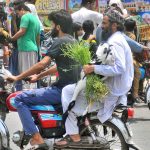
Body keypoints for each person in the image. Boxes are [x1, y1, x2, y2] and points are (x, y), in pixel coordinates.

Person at [55, 8, 134, 147]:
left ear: (114, 25)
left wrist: (93, 68)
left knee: (67, 92)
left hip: (111, 89)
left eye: (104, 23)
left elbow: (119, 68)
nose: (101, 26)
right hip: (116, 86)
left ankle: (72, 133)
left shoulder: (115, 42)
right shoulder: (118, 38)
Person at [7, 9, 80, 149]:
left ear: (58, 26)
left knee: (20, 99)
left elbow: (42, 64)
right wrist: (38, 77)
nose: (51, 28)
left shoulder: (60, 41)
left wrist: (17, 77)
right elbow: (59, 67)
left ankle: (36, 137)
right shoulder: (73, 41)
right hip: (72, 89)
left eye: (52, 25)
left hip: (61, 91)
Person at [10, 4, 40, 89]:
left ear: (22, 9)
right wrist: (38, 50)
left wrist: (12, 39)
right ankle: (32, 94)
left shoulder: (25, 17)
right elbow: (38, 37)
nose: (18, 15)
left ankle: (26, 94)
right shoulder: (36, 19)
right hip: (33, 49)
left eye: (18, 13)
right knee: (32, 74)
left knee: (25, 73)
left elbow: (22, 31)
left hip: (25, 48)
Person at [124, 19, 143, 103]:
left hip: (123, 57)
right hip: (129, 59)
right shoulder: (132, 35)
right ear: (134, 27)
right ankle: (135, 94)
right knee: (138, 73)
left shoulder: (122, 33)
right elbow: (133, 48)